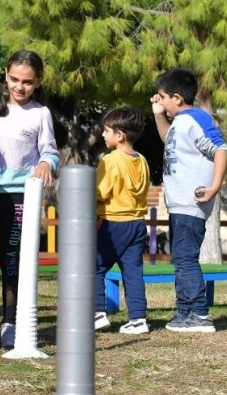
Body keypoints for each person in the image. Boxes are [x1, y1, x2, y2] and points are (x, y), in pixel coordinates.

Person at [0, 50, 59, 348]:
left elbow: (50, 149)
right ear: (5, 74)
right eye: (14, 79)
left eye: (27, 82)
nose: (19, 87)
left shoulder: (40, 113)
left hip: (18, 194)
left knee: (11, 258)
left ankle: (10, 321)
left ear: (38, 82)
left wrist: (47, 163)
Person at [150, 67, 227, 333]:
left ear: (177, 98)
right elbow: (167, 139)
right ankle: (185, 312)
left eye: (162, 97)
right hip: (179, 203)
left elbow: (220, 147)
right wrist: (158, 115)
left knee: (186, 259)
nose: (159, 100)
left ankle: (199, 315)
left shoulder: (196, 119)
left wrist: (215, 186)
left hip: (191, 202)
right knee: (181, 258)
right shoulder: (180, 123)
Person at [93, 106, 150, 335]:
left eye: (106, 131)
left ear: (120, 135)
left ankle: (97, 313)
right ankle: (138, 319)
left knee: (93, 266)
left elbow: (99, 192)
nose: (103, 135)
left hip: (113, 223)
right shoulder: (143, 160)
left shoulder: (110, 160)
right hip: (137, 223)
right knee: (133, 272)